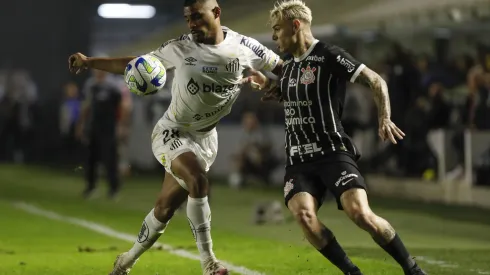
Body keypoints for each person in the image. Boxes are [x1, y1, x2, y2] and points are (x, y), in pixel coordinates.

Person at [68, 0, 282, 274]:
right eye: (187, 18)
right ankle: (209, 263)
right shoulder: (180, 47)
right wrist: (89, 62)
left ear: (216, 13)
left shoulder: (247, 48)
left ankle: (126, 261)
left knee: (165, 208)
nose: (192, 24)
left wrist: (274, 85)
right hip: (173, 131)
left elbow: (283, 69)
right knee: (197, 179)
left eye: (197, 17)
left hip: (206, 139)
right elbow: (136, 63)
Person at [243, 1, 426, 274]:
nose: (273, 36)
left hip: (332, 152)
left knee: (361, 215)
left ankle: (411, 269)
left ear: (296, 25)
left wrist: (384, 117)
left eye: (277, 29)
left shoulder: (328, 55)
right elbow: (293, 95)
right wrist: (269, 85)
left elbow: (377, 81)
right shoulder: (289, 67)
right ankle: (352, 272)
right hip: (298, 159)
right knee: (304, 216)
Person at [76, 70, 128, 199]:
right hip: (93, 126)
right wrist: (81, 124)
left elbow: (123, 106)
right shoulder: (91, 85)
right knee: (91, 158)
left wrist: (121, 125)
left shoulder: (114, 86)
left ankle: (113, 189)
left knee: (110, 158)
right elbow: (86, 105)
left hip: (109, 128)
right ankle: (91, 187)